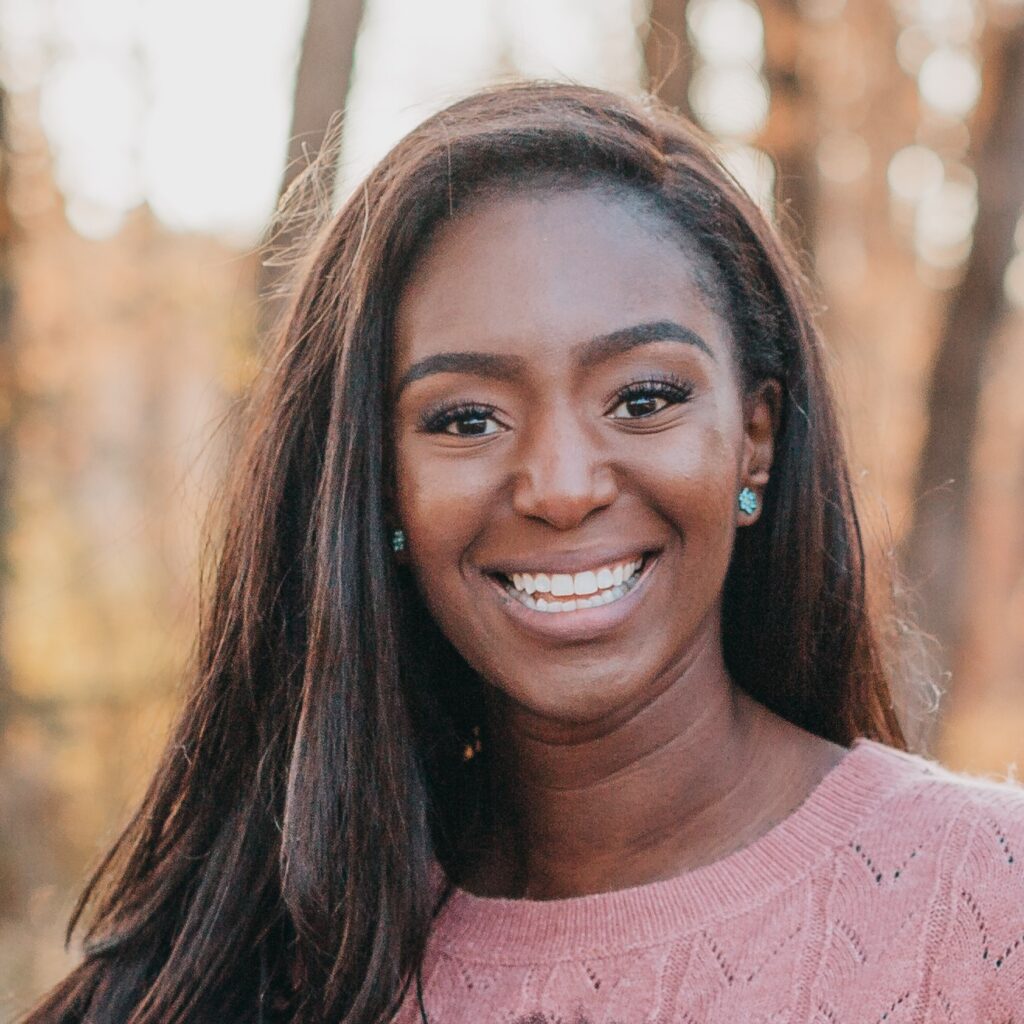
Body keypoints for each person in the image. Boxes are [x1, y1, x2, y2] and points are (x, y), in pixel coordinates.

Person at [24, 82, 1024, 1024]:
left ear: (754, 436)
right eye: (466, 418)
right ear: (377, 481)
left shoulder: (988, 905)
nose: (559, 485)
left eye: (642, 398)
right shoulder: (261, 968)